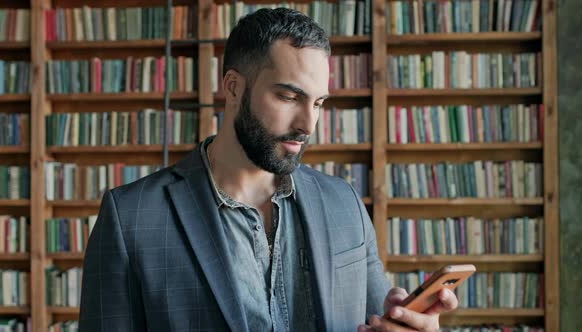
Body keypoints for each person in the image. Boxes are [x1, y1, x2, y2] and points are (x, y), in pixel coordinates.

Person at [79, 7, 458, 332]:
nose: (307, 125)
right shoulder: (131, 217)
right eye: (289, 97)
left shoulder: (344, 203)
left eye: (319, 102)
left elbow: (377, 319)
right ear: (232, 88)